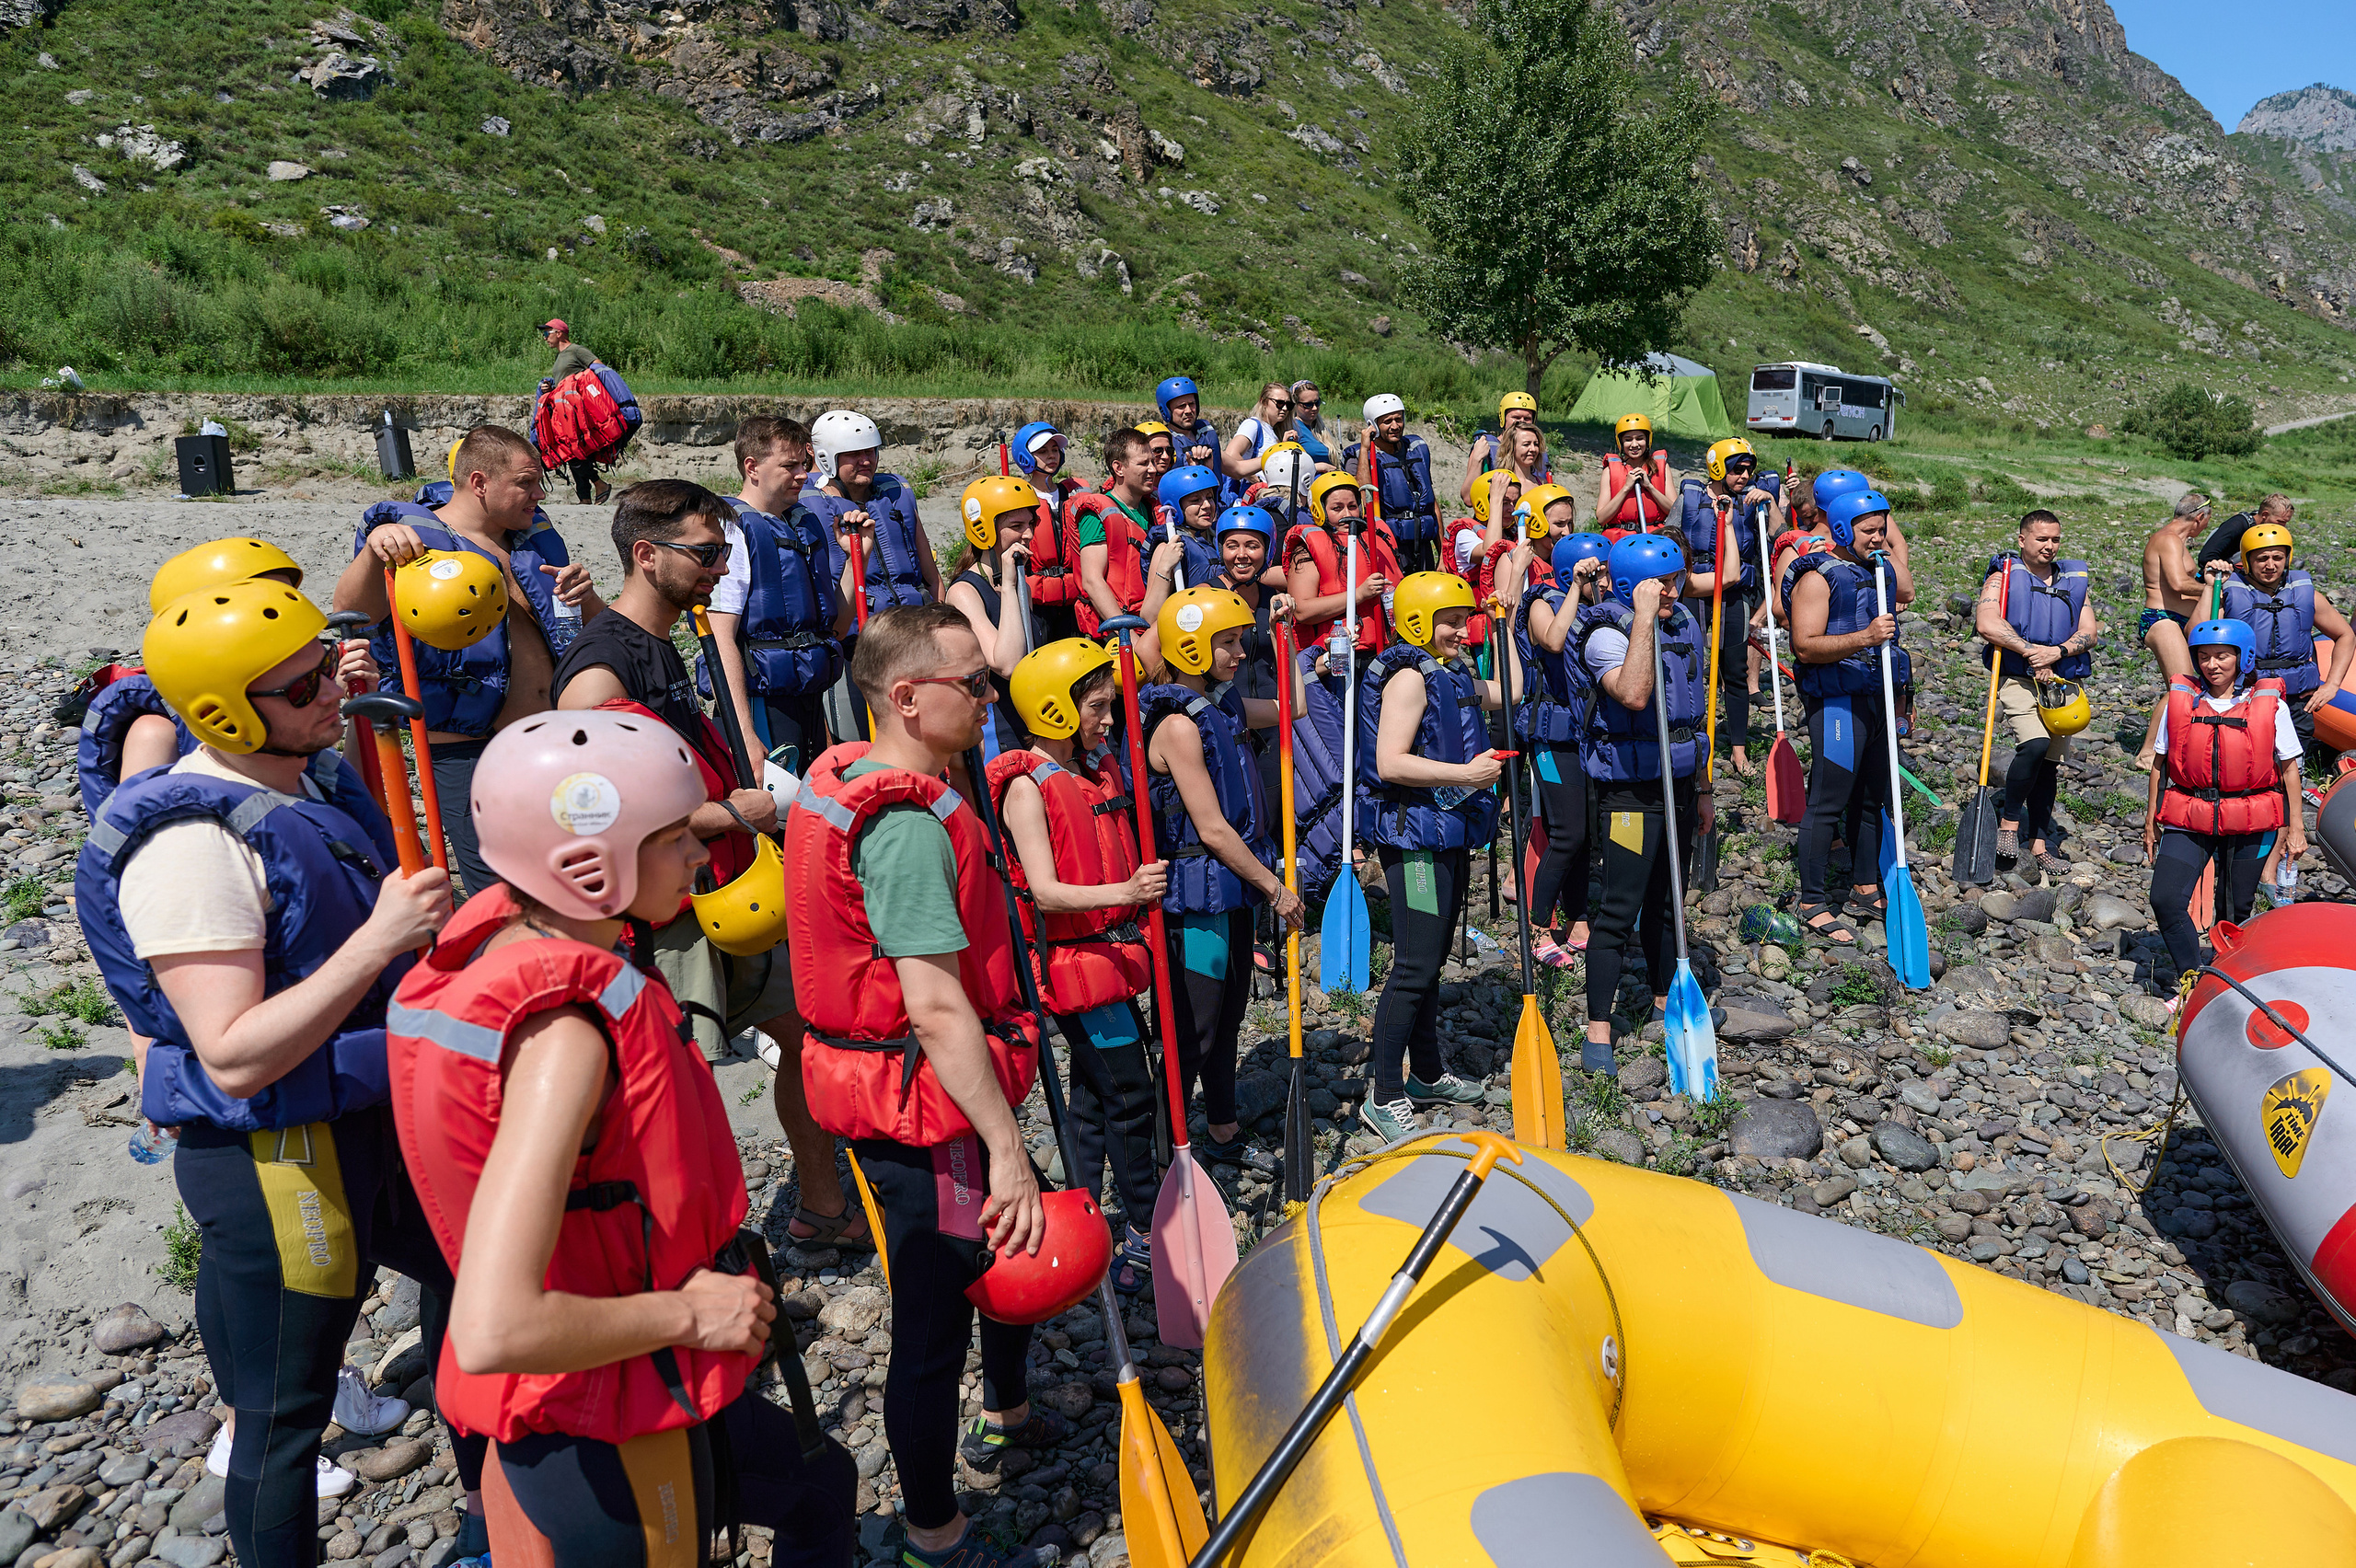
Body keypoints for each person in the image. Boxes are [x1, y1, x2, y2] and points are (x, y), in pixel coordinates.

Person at [384, 710, 858, 1568]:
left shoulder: (507, 945)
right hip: (596, 1418)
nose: (698, 854)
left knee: (821, 1488)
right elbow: (493, 1327)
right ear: (587, 866)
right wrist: (693, 1312)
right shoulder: (565, 1038)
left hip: (625, 1375)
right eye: (675, 837)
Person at [75, 579, 481, 1566]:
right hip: (278, 1158)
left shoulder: (305, 781)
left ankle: (494, 1523)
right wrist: (381, 937)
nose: (332, 689)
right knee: (282, 1417)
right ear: (223, 712)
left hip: (369, 1118)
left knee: (478, 1291)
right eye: (303, 686)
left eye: (326, 666)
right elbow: (232, 1050)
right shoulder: (190, 845)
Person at [781, 603, 1057, 1568]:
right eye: (972, 684)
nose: (991, 699)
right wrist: (1007, 1149)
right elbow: (936, 1008)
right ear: (905, 697)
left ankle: (1007, 1411)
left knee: (1011, 1250)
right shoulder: (900, 827)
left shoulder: (849, 774)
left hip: (922, 1087)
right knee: (935, 1325)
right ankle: (933, 1534)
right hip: (921, 1104)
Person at [551, 480, 869, 1253]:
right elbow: (595, 819)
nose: (721, 568)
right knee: (680, 1085)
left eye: (724, 552)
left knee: (806, 1037)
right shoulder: (599, 676)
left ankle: (822, 1206)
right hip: (666, 917)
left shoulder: (660, 641)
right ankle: (693, 1252)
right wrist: (732, 813)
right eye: (705, 553)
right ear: (645, 553)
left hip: (723, 892)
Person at [336, 424, 603, 900]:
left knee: (567, 882)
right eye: (526, 483)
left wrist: (588, 598)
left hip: (550, 743)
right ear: (479, 482)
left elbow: (593, 634)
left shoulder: (532, 542)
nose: (540, 494)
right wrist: (376, 550)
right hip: (467, 751)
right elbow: (353, 612)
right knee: (501, 897)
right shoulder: (409, 543)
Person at [991, 640, 1169, 1293]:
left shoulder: (1089, 772)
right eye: (1097, 707)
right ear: (1055, 709)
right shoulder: (1026, 789)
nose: (1109, 720)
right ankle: (1144, 1230)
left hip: (1107, 958)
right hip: (1073, 966)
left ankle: (1082, 1214)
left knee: (1096, 1101)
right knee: (1131, 1097)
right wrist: (1130, 891)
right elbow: (1043, 891)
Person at [1141, 586, 1304, 1169]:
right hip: (1197, 897)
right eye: (1228, 643)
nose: (1239, 653)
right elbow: (1210, 829)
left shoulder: (1223, 703)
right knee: (1196, 1030)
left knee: (1230, 1016)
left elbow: (1292, 708)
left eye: (1240, 640)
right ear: (1190, 648)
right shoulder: (1178, 726)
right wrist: (1275, 888)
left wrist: (1285, 637)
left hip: (1231, 886)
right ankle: (1161, 1158)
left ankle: (1223, 1128)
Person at [1355, 571, 1518, 1136]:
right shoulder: (1408, 680)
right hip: (1415, 839)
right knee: (1415, 965)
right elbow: (1390, 762)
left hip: (1445, 832)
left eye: (1464, 620)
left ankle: (1425, 1073)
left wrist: (1504, 623)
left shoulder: (1452, 671)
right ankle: (1384, 1095)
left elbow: (1512, 691)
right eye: (1450, 621)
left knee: (1432, 961)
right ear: (1418, 621)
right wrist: (1467, 775)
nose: (1461, 631)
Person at [1566, 535, 1712, 1071]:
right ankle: (1598, 1031)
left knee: (1669, 901)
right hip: (1629, 792)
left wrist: (1704, 790)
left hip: (1678, 784)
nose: (1674, 591)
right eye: (1662, 584)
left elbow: (1693, 717)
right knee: (1619, 908)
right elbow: (1633, 694)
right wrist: (1644, 618)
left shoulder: (1683, 623)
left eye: (1677, 581)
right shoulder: (1605, 633)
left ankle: (1663, 1000)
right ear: (1631, 587)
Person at [78, 536, 306, 821]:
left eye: (291, 599)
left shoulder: (291, 695)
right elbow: (143, 835)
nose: (292, 616)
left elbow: (343, 796)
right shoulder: (154, 734)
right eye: (269, 606)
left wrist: (353, 704)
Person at [2144, 618, 2304, 990]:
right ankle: (2192, 979)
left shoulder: (2271, 706)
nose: (2211, 665)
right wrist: (2150, 820)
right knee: (2165, 899)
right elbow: (2159, 764)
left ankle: (2228, 982)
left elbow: (2289, 769)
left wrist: (2295, 827)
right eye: (2204, 657)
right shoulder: (2180, 702)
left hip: (2250, 817)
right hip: (2189, 813)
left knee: (2234, 909)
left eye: (2221, 656)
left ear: (2243, 657)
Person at [1785, 489, 1912, 945]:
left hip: (1876, 699)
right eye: (1868, 531)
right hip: (1837, 702)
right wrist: (1865, 637)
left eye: (1882, 530)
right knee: (1828, 801)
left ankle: (1864, 888)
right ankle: (1812, 902)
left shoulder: (1878, 569)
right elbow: (1804, 646)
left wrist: (1903, 700)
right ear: (1841, 530)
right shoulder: (1817, 578)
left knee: (1872, 798)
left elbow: (1907, 592)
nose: (1878, 538)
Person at [705, 414, 855, 771]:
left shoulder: (802, 524)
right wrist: (743, 734)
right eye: (790, 466)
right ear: (752, 467)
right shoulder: (732, 531)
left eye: (804, 464)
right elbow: (719, 639)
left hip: (807, 699)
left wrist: (854, 560)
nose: (803, 475)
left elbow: (836, 628)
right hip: (760, 704)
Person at [1973, 511, 2099, 880]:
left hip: (2059, 681)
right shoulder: (2002, 577)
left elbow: (2089, 632)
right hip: (2017, 677)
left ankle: (2040, 844)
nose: (2049, 546)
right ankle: (2009, 824)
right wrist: (2033, 653)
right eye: (2042, 539)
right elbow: (1987, 623)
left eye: (2055, 539)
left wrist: (2055, 653)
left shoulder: (2072, 581)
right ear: (2022, 540)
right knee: (2034, 744)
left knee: (2048, 763)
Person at [1517, 531, 1613, 965]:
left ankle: (1578, 921)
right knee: (1567, 833)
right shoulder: (1543, 601)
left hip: (1585, 734)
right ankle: (1538, 927)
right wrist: (1577, 587)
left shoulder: (1602, 608)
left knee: (1586, 834)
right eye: (1599, 575)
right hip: (1549, 735)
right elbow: (1554, 641)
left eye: (1606, 574)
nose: (1605, 582)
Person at [1680, 439, 1779, 778]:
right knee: (1689, 666)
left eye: (1749, 469)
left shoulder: (1755, 500)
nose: (1745, 475)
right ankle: (1689, 739)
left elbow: (1780, 534)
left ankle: (1738, 749)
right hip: (1696, 589)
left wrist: (1769, 503)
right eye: (1738, 469)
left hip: (1734, 592)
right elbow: (1671, 534)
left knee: (1735, 670)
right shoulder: (1691, 496)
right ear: (1718, 468)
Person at [803, 409, 943, 618]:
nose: (866, 461)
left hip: (914, 622)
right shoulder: (809, 508)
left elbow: (933, 579)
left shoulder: (896, 497)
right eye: (854, 454)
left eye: (870, 451)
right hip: (856, 629)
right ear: (827, 458)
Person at [943, 475, 1042, 757]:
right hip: (997, 732)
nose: (1028, 535)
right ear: (984, 530)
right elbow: (1008, 664)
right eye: (1017, 526)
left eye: (1031, 524)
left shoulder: (1020, 583)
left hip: (1031, 721)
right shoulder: (964, 592)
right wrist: (1009, 587)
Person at [2135, 491, 2218, 772]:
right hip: (2162, 618)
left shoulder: (2179, 542)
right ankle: (2147, 753)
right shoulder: (2169, 539)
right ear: (2200, 517)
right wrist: (2215, 586)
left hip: (2178, 619)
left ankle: (2175, 744)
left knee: (2189, 685)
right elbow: (2178, 583)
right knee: (2182, 685)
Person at [1287, 471, 1401, 653]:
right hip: (1339, 655)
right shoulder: (1305, 551)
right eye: (1337, 508)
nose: (1347, 514)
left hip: (1388, 647)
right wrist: (1359, 594)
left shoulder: (1378, 536)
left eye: (1352, 506)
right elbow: (1301, 611)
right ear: (1319, 511)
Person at [1008, 421, 1089, 642]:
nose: (1051, 455)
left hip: (1074, 600)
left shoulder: (1072, 493)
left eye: (1055, 449)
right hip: (1037, 604)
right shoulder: (1019, 498)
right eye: (1042, 451)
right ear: (1025, 457)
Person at [1073, 429, 1160, 637]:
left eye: (1152, 462)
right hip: (1120, 632)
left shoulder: (1154, 509)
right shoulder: (1096, 515)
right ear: (1118, 468)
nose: (1153, 469)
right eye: (1143, 463)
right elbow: (1092, 581)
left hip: (1152, 624)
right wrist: (1126, 633)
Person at [1343, 394, 1440, 572]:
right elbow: (1363, 499)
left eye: (1398, 419)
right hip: (1390, 549)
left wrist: (1442, 554)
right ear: (1373, 425)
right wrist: (1364, 449)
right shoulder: (1357, 457)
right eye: (1387, 421)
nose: (1395, 426)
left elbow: (1432, 504)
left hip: (1424, 547)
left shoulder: (1417, 448)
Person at [539, 319, 608, 504]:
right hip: (564, 411)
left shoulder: (577, 351)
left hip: (577, 411)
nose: (544, 338)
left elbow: (599, 368)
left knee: (573, 451)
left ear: (559, 333)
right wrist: (551, 389)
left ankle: (599, 483)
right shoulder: (560, 356)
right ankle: (585, 498)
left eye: (547, 333)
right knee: (574, 452)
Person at [1461, 390, 1546, 505]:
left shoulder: (1536, 453)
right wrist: (1477, 459)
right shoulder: (1485, 446)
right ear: (1503, 418)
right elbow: (1468, 498)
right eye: (1516, 417)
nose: (1521, 422)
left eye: (1527, 418)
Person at [1596, 414, 1674, 536]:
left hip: (1654, 536)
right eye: (1628, 440)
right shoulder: (1609, 471)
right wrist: (1626, 488)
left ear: (1648, 440)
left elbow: (1674, 511)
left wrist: (1650, 487)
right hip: (1622, 539)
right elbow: (1601, 519)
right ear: (1620, 442)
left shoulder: (1661, 467)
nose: (1634, 444)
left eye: (1639, 438)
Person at [1153, 464, 1226, 591]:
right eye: (1195, 500)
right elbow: (1151, 605)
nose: (1207, 505)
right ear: (1176, 507)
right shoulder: (1167, 548)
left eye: (1209, 497)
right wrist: (1165, 567)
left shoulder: (1218, 539)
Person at [2196, 491, 2294, 571]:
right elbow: (2206, 557)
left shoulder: (2265, 531)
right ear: (2265, 515)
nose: (2283, 527)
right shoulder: (2238, 524)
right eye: (2280, 522)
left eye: (2286, 522)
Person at [1154, 375, 1224, 486]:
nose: (1188, 411)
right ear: (1166, 411)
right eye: (1181, 406)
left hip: (1216, 496)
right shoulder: (1163, 443)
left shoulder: (1205, 433)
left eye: (1191, 404)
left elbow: (1237, 469)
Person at [1221, 382, 1295, 484]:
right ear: (1264, 402)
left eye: (1289, 405)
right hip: (1253, 491)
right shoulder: (1253, 425)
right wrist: (1255, 480)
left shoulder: (1274, 432)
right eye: (1280, 403)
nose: (1285, 408)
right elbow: (1231, 454)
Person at [1287, 380, 1338, 471]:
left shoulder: (1321, 429)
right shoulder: (1294, 429)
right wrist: (1318, 467)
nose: (1314, 408)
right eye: (1308, 405)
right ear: (1295, 405)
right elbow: (1288, 466)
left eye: (1317, 403)